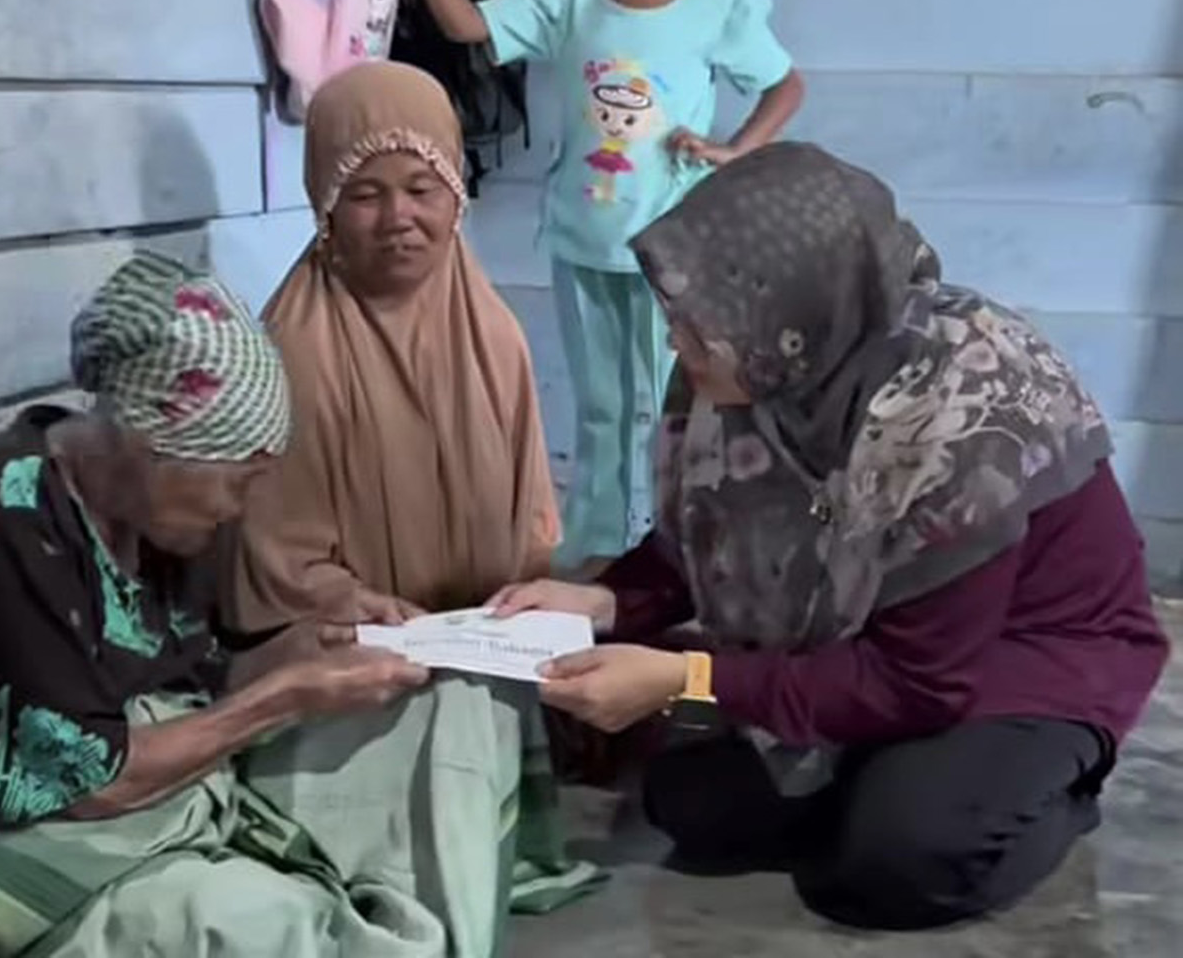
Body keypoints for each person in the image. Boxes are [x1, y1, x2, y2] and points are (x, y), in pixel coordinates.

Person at [489, 143, 1170, 932]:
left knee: (900, 862)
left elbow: (917, 683)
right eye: (677, 316)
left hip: (1015, 657)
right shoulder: (753, 358)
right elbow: (703, 534)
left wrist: (686, 677)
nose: (677, 342)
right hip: (865, 637)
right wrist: (602, 601)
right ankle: (881, 769)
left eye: (695, 325)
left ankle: (1049, 786)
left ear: (791, 312)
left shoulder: (963, 420)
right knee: (693, 808)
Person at [0, 253, 444, 956]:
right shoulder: (5, 515)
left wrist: (307, 647)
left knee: (427, 720)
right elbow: (80, 783)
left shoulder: (163, 522)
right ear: (148, 446)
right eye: (236, 481)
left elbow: (199, 681)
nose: (238, 508)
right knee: (247, 922)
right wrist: (286, 696)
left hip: (139, 764)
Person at [397, 0, 805, 572]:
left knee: (666, 403)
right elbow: (462, 25)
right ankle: (596, 548)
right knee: (602, 407)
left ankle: (671, 548)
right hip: (584, 242)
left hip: (673, 253)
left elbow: (785, 85)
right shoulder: (569, 1)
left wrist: (732, 152)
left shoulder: (716, 9)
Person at [222, 60, 560, 631]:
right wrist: (339, 600)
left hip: (492, 639)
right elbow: (274, 551)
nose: (398, 217)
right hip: (355, 651)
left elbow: (533, 513)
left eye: (422, 189)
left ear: (456, 195)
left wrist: (525, 601)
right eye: (364, 194)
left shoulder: (492, 333)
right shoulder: (293, 353)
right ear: (326, 207)